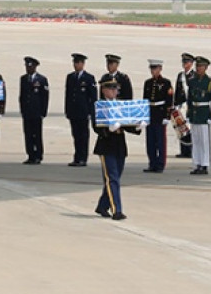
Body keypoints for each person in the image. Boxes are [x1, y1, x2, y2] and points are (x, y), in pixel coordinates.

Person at [93, 78, 141, 221]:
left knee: (115, 177)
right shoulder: (99, 106)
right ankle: (116, 210)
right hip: (106, 145)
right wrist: (108, 129)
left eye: (115, 89)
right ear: (104, 90)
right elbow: (96, 126)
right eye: (111, 88)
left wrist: (138, 126)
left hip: (119, 146)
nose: (114, 91)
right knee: (112, 179)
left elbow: (126, 124)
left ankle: (102, 205)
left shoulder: (120, 105)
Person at [187, 56, 211, 175]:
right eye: (197, 66)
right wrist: (189, 114)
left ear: (206, 68)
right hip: (195, 113)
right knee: (195, 141)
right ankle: (197, 163)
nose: (198, 68)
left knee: (204, 141)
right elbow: (189, 99)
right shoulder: (193, 81)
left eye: (201, 66)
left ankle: (204, 164)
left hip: (204, 113)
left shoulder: (210, 82)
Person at [65, 53, 97, 167]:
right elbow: (68, 95)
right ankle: (77, 157)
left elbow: (93, 97)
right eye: (74, 62)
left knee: (83, 135)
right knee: (76, 135)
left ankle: (83, 158)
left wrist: (91, 112)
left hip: (83, 112)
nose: (76, 65)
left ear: (83, 64)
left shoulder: (89, 78)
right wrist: (67, 110)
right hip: (73, 111)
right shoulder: (70, 77)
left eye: (78, 63)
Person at [142, 59, 173, 173]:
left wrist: (167, 116)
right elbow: (145, 100)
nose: (153, 71)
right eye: (151, 68)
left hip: (160, 113)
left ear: (160, 69)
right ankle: (152, 162)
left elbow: (169, 100)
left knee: (160, 141)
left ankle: (160, 163)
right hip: (151, 113)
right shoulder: (148, 83)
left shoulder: (166, 83)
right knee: (150, 141)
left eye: (155, 68)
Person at [19, 56, 49, 164]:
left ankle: (38, 155)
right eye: (27, 66)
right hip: (27, 112)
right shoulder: (23, 79)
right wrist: (22, 110)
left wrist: (43, 112)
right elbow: (22, 96)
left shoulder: (41, 79)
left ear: (35, 67)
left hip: (37, 112)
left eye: (30, 66)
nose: (28, 68)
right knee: (28, 134)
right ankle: (30, 154)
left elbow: (45, 97)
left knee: (37, 134)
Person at [174, 53, 195, 158]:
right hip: (181, 104)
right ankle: (183, 150)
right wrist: (175, 104)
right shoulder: (180, 75)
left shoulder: (194, 75)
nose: (184, 64)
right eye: (183, 62)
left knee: (190, 127)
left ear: (191, 63)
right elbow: (177, 91)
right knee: (181, 127)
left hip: (189, 104)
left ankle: (191, 150)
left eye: (186, 62)